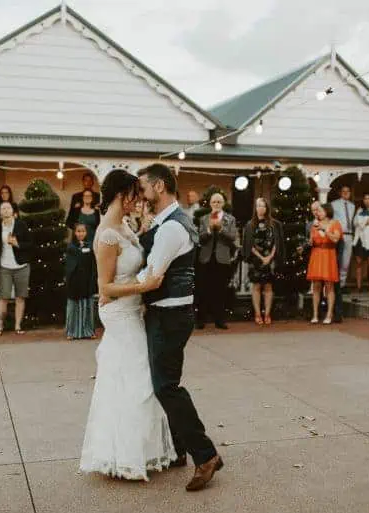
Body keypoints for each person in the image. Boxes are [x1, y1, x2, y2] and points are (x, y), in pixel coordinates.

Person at [79, 169, 173, 481]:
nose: (140, 199)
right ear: (122, 194)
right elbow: (104, 288)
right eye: (135, 194)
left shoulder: (124, 227)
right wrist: (142, 288)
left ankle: (135, 451)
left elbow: (132, 266)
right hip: (119, 314)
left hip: (133, 310)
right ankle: (125, 455)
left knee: (133, 380)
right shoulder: (106, 234)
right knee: (136, 380)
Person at [136, 164, 223, 491]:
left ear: (159, 187)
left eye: (144, 188)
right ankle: (178, 449)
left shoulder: (172, 228)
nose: (141, 195)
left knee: (166, 386)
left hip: (170, 314)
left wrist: (116, 288)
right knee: (165, 382)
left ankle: (206, 454)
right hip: (167, 312)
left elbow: (151, 274)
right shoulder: (167, 222)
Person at [196, 192, 238, 330]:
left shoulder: (230, 219)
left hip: (222, 260)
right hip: (206, 259)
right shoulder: (203, 219)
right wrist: (209, 230)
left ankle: (220, 320)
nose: (216, 204)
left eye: (219, 202)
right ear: (210, 204)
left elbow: (232, 237)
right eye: (214, 202)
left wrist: (220, 230)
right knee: (202, 290)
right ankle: (201, 320)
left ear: (223, 204)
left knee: (220, 291)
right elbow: (199, 238)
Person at [0, 202, 32, 336]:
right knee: (3, 297)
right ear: (0, 213)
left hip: (21, 266)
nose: (6, 210)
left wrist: (17, 244)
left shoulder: (21, 225)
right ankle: (0, 326)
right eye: (3, 208)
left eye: (8, 208)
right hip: (4, 266)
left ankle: (17, 326)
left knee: (20, 297)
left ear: (13, 211)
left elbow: (31, 243)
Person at [243, 198, 283, 325]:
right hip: (256, 259)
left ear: (267, 208)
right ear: (255, 208)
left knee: (268, 287)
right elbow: (249, 244)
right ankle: (257, 313)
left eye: (263, 206)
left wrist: (270, 257)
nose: (261, 208)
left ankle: (267, 314)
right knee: (256, 286)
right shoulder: (250, 224)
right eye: (258, 206)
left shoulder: (275, 224)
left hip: (270, 259)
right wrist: (261, 258)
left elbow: (277, 242)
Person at [307, 203, 341, 324]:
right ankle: (315, 314)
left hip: (328, 254)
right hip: (316, 254)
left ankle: (329, 314)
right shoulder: (314, 225)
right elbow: (312, 241)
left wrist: (325, 230)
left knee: (329, 286)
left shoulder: (335, 223)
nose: (318, 213)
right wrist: (310, 241)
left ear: (327, 211)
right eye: (317, 211)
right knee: (316, 286)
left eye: (320, 211)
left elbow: (336, 239)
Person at [64, 224, 97, 340]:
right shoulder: (70, 247)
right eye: (78, 231)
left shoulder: (90, 246)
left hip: (87, 280)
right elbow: (70, 264)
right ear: (74, 233)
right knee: (74, 307)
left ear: (86, 232)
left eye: (83, 231)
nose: (80, 234)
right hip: (75, 281)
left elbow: (92, 264)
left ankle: (87, 331)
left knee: (87, 305)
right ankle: (72, 331)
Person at [352, 193, 369, 296]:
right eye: (365, 198)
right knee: (359, 263)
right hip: (359, 238)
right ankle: (359, 287)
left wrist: (362, 222)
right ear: (363, 200)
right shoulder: (359, 210)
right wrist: (365, 222)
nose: (367, 200)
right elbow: (355, 223)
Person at [332, 185, 356, 289]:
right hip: (338, 235)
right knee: (337, 260)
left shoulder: (352, 206)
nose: (346, 193)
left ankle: (342, 284)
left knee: (346, 261)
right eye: (343, 191)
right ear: (340, 193)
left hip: (349, 235)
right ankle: (335, 283)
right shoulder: (334, 204)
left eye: (348, 191)